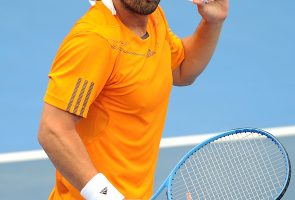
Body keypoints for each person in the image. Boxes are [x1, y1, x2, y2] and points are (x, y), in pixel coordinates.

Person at [38, 0, 228, 199]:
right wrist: (108, 196)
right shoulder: (94, 40)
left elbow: (181, 69)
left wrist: (212, 23)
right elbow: (53, 130)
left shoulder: (153, 17)